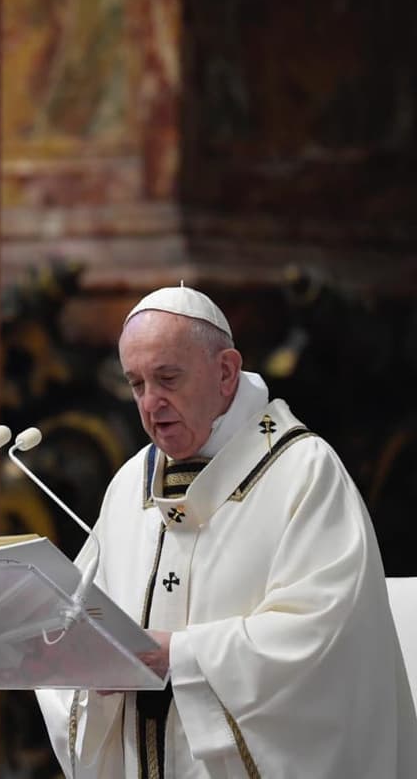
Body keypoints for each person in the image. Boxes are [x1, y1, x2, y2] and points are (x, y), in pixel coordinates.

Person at [36, 286, 417, 777]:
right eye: (136, 384)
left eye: (168, 378)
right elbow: (81, 615)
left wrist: (180, 656)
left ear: (226, 372)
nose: (152, 404)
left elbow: (323, 638)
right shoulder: (131, 483)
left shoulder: (302, 471)